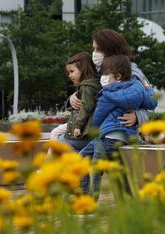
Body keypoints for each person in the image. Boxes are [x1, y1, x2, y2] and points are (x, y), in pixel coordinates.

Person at [79, 55, 157, 197]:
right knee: (121, 173)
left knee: (93, 169)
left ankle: (88, 204)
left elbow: (97, 117)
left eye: (105, 74)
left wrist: (93, 129)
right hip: (125, 138)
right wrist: (149, 89)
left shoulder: (107, 94)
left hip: (106, 137)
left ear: (118, 76)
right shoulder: (138, 88)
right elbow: (152, 103)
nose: (102, 77)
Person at [69, 28, 150, 129]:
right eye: (93, 49)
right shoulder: (100, 68)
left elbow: (149, 102)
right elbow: (90, 91)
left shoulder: (130, 71)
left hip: (121, 132)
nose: (94, 53)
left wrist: (137, 117)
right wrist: (74, 96)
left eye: (98, 49)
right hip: (99, 130)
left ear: (111, 50)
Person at [56, 52, 101, 151]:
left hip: (85, 134)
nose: (70, 75)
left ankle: (79, 162)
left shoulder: (86, 87)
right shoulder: (93, 85)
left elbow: (86, 107)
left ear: (83, 69)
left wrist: (78, 126)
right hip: (89, 132)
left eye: (72, 71)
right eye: (68, 73)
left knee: (60, 141)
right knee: (59, 138)